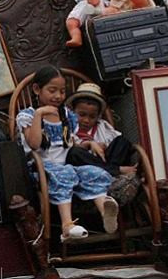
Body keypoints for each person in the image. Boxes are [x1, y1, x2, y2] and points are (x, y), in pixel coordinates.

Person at [16, 66, 118, 242]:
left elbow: (72, 143)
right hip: (39, 170)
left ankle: (106, 212)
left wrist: (89, 143)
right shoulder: (28, 115)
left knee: (94, 173)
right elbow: (34, 144)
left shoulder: (67, 116)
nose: (58, 96)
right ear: (37, 89)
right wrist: (40, 114)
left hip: (65, 166)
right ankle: (67, 226)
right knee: (66, 173)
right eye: (52, 90)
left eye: (62, 92)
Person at [63, 83, 140, 207]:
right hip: (84, 170)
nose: (86, 120)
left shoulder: (102, 127)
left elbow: (117, 145)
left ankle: (112, 176)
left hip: (104, 161)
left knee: (122, 141)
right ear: (72, 111)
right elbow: (67, 148)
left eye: (92, 117)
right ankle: (116, 172)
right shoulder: (68, 127)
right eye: (81, 115)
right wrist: (89, 144)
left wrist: (105, 146)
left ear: (98, 116)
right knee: (74, 153)